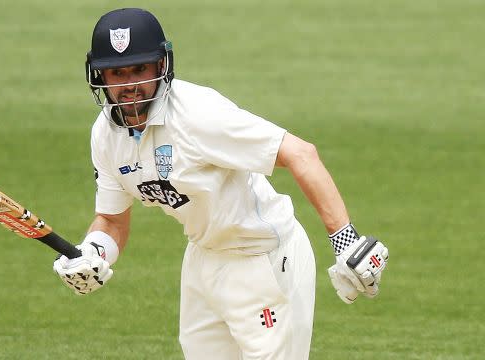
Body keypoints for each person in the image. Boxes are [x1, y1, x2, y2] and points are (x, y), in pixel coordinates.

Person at [53, 8, 389, 360]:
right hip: (202, 260)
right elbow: (111, 220)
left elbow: (301, 154)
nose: (129, 85)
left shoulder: (198, 115)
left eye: (140, 69)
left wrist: (345, 240)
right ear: (99, 75)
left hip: (262, 257)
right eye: (117, 73)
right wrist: (93, 253)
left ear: (161, 67)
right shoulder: (105, 135)